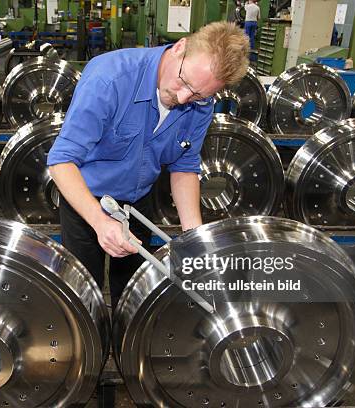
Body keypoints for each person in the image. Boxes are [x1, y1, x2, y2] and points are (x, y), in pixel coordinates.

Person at [47, 22, 249, 308]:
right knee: (83, 296)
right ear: (179, 48)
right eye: (185, 82)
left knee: (132, 296)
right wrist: (99, 221)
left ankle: (123, 345)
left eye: (197, 95)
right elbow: (61, 161)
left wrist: (194, 236)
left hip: (138, 200)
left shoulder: (202, 103)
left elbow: (184, 164)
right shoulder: (109, 79)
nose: (183, 98)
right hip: (85, 200)